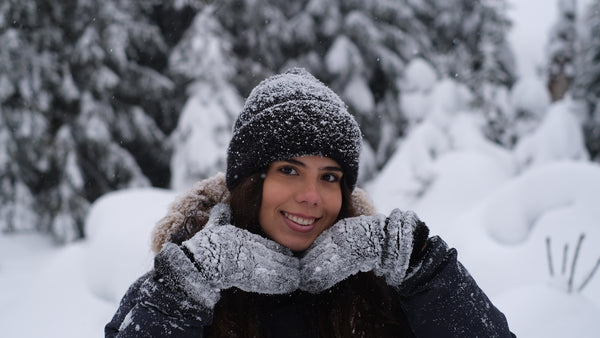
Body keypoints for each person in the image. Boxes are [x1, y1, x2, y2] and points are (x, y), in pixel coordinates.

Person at [105, 68, 514, 337]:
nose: (311, 196)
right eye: (289, 170)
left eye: (330, 177)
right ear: (251, 182)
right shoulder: (176, 286)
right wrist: (188, 283)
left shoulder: (383, 288)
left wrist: (421, 262)